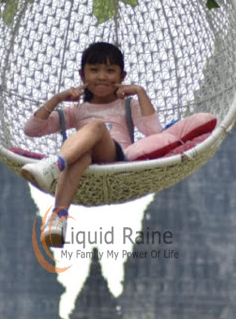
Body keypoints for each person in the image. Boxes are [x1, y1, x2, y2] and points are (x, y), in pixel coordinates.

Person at [22, 42, 162, 247]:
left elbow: (154, 132)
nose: (102, 76)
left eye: (110, 71)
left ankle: (56, 165)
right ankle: (58, 217)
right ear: (82, 75)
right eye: (94, 70)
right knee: (81, 155)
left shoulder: (127, 105)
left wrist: (139, 92)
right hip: (84, 159)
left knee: (96, 127)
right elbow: (31, 130)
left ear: (122, 77)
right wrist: (59, 98)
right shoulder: (76, 111)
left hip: (114, 158)